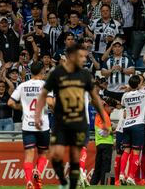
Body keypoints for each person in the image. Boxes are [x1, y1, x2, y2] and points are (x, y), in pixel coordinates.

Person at [34, 44, 107, 189]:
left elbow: (95, 98)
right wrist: (37, 115)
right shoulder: (57, 73)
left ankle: (74, 180)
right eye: (81, 56)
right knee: (56, 155)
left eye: (84, 57)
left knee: (76, 155)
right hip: (61, 122)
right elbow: (43, 94)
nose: (84, 59)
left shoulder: (85, 75)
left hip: (80, 121)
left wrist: (104, 119)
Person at [8, 61, 53, 189]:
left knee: (29, 155)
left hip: (27, 125)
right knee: (43, 154)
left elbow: (10, 103)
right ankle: (38, 172)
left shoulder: (22, 85)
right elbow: (50, 102)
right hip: (42, 125)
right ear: (42, 72)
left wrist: (21, 107)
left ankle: (28, 181)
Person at [119, 65, 145, 185]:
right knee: (136, 152)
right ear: (138, 85)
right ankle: (131, 177)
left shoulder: (125, 96)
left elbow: (123, 105)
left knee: (126, 151)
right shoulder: (143, 92)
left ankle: (122, 174)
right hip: (138, 125)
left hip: (126, 125)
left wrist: (129, 89)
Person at [90, 98, 116, 185]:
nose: (112, 111)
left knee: (98, 167)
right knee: (105, 167)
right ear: (107, 106)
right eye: (112, 109)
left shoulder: (100, 115)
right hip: (106, 144)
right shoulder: (104, 115)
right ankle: (103, 185)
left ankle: (93, 184)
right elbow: (102, 132)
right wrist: (112, 131)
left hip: (99, 144)